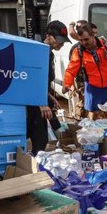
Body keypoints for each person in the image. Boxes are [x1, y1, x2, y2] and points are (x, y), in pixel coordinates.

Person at [62, 22, 107, 120]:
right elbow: (71, 70)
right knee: (93, 115)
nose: (84, 43)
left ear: (93, 35)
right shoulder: (78, 51)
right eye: (81, 40)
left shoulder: (106, 45)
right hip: (92, 89)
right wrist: (67, 84)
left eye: (86, 39)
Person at [26, 21, 70, 154]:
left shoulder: (48, 53)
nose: (61, 44)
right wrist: (42, 103)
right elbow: (31, 80)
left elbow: (42, 81)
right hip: (34, 103)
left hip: (41, 98)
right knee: (38, 138)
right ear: (49, 36)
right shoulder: (37, 52)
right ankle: (33, 166)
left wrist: (50, 97)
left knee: (42, 138)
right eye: (59, 40)